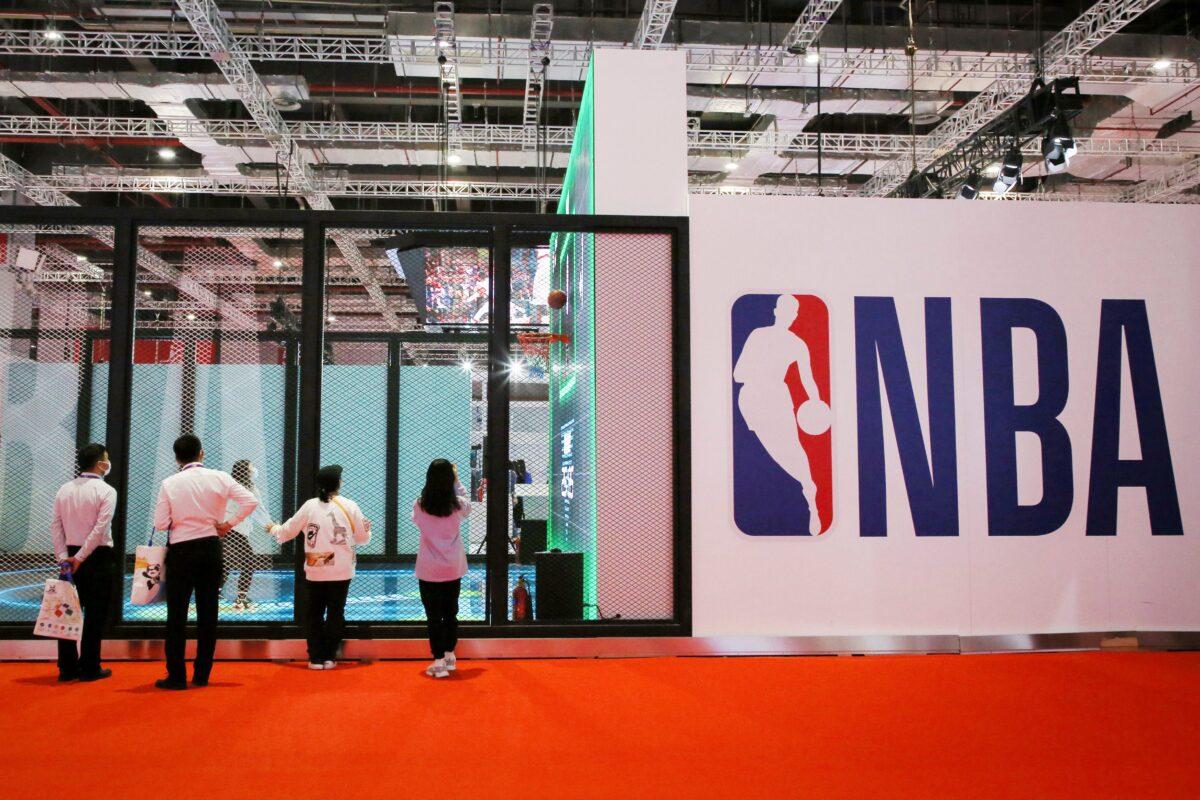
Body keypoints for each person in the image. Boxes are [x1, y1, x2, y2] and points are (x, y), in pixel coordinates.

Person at [152, 434, 258, 690]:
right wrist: (228, 524)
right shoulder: (220, 477)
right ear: (202, 453)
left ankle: (176, 677)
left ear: (177, 459)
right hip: (210, 548)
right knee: (208, 614)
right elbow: (250, 501)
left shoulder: (169, 483)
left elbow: (160, 523)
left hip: (180, 551)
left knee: (176, 615)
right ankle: (202, 675)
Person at [733, 294, 826, 535]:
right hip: (752, 399)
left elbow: (808, 380)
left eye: (792, 312)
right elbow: (738, 374)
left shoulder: (798, 344)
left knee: (792, 448)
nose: (789, 316)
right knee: (774, 451)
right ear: (776, 311)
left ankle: (810, 494)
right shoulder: (758, 335)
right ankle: (805, 487)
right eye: (785, 310)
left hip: (777, 399)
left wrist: (816, 403)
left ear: (794, 316)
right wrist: (761, 373)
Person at [268, 465, 370, 670]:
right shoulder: (350, 506)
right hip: (341, 568)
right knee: (336, 612)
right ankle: (330, 657)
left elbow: (288, 530)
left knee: (314, 613)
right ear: (338, 483)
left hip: (317, 566)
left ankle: (315, 658)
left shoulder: (310, 506)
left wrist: (274, 529)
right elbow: (363, 538)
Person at [49, 443, 117, 682]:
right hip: (98, 556)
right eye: (106, 458)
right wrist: (80, 557)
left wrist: (63, 557)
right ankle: (90, 667)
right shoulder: (106, 491)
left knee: (66, 611)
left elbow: (56, 525)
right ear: (100, 464)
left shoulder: (64, 489)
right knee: (95, 613)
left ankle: (67, 668)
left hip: (69, 555)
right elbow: (100, 529)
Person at [413, 458, 471, 679]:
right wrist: (457, 481)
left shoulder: (420, 504)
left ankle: (438, 661)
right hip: (452, 568)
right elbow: (467, 503)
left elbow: (417, 521)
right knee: (451, 612)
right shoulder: (458, 504)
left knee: (433, 616)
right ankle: (449, 655)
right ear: (451, 479)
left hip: (429, 569)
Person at [221, 460, 275, 611]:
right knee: (248, 562)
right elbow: (259, 510)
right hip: (235, 529)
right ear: (246, 471)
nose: (254, 470)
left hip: (226, 527)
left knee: (226, 562)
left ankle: (217, 593)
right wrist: (270, 526)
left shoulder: (230, 485)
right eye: (252, 467)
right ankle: (241, 598)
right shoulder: (248, 489)